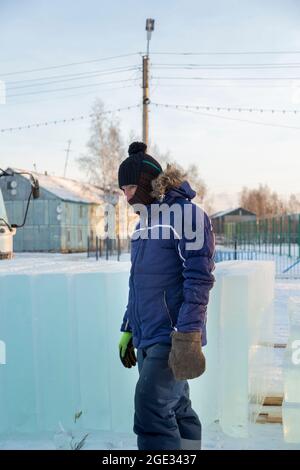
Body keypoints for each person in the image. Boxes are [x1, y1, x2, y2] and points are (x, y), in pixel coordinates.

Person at [118, 142, 215, 451]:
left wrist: (188, 335)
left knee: (150, 409)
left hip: (173, 335)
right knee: (177, 407)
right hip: (146, 335)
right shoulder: (143, 224)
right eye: (123, 189)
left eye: (131, 186)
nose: (127, 196)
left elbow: (198, 278)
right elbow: (139, 283)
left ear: (148, 182)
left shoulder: (188, 216)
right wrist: (128, 327)